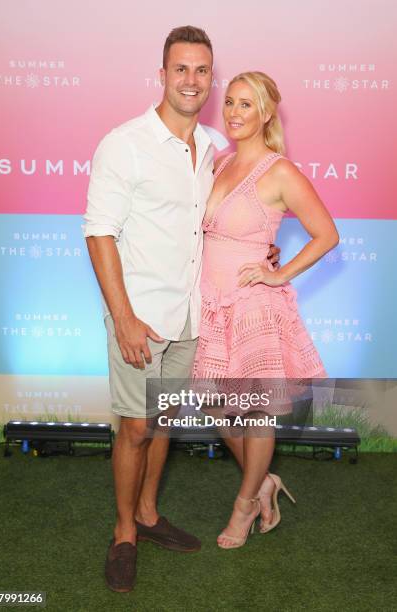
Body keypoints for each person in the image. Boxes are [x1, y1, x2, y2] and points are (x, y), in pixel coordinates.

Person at [84, 27, 282, 592]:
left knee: (164, 422)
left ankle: (148, 514)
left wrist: (260, 250)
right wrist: (122, 317)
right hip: (140, 315)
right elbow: (99, 233)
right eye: (181, 70)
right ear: (162, 75)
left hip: (190, 315)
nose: (192, 81)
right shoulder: (126, 143)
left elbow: (224, 221)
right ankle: (124, 531)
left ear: (209, 78)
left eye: (202, 71)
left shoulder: (214, 147)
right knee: (136, 427)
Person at [193, 71, 339, 549]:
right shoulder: (218, 163)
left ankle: (244, 506)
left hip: (253, 306)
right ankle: (266, 483)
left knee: (255, 415)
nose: (234, 113)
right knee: (217, 409)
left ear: (266, 113)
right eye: (230, 103)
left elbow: (326, 234)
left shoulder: (279, 171)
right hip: (211, 304)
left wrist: (278, 272)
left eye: (246, 105)